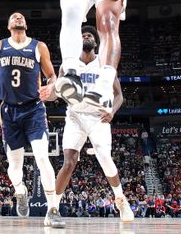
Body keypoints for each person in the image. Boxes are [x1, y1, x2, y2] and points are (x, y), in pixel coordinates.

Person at [0, 12, 64, 228]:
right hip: (8, 112)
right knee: (15, 167)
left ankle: (53, 209)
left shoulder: (39, 46)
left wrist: (51, 86)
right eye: (14, 16)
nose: (18, 17)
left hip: (34, 109)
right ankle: (20, 191)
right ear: (8, 25)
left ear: (25, 24)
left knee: (42, 157)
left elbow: (52, 75)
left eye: (21, 17)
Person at [42, 26, 132, 222]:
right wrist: (48, 94)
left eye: (90, 35)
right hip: (75, 116)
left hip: (98, 117)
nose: (86, 37)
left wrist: (112, 112)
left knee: (105, 158)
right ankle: (53, 209)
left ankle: (120, 199)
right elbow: (58, 93)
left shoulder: (104, 62)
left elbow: (119, 96)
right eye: (83, 35)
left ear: (96, 42)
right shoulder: (68, 65)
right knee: (68, 162)